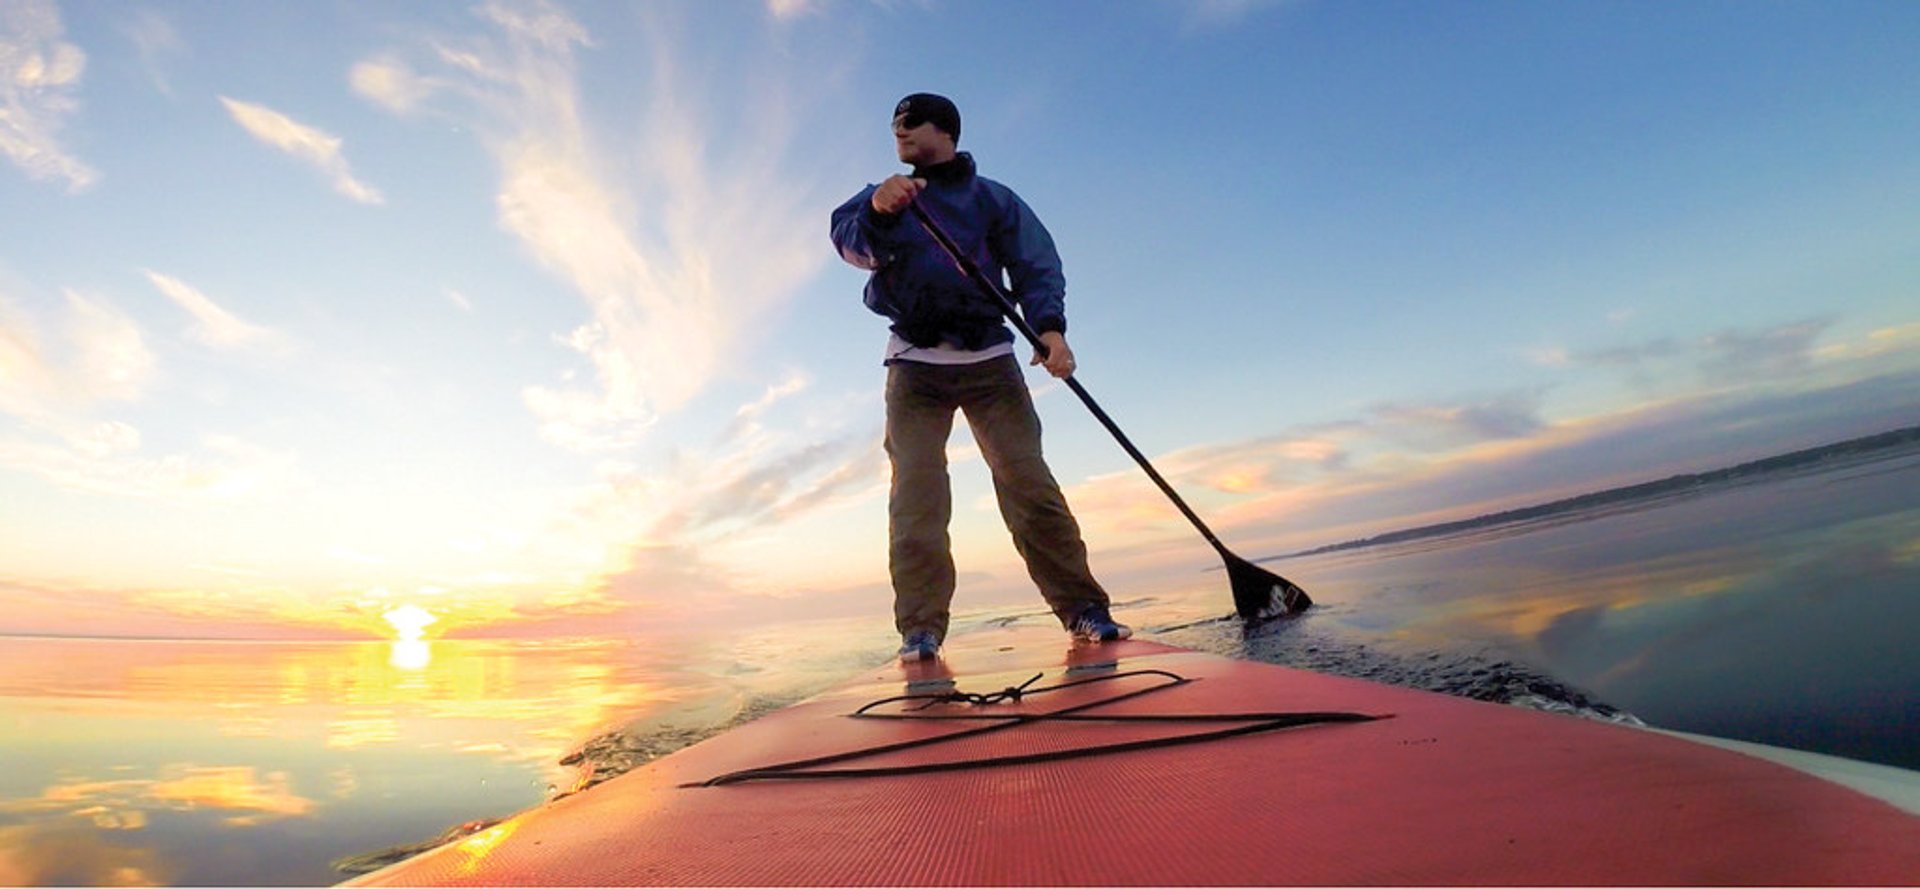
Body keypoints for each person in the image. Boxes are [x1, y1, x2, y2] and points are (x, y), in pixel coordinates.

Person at [830, 92, 1131, 662]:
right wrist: (875, 207)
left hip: (991, 363)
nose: (899, 129)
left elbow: (1037, 263)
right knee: (916, 499)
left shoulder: (994, 199)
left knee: (1030, 488)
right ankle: (919, 632)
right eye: (894, 122)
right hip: (914, 368)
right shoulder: (885, 196)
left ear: (945, 131)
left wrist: (1051, 328)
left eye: (911, 120)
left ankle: (1085, 611)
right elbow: (849, 241)